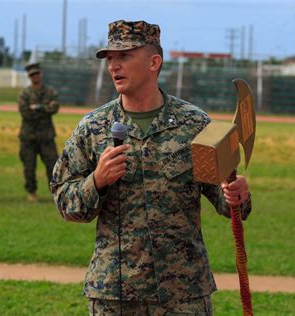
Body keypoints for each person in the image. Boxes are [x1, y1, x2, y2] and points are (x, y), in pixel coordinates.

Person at [51, 20, 252, 315]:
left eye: (125, 56)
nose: (114, 66)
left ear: (154, 62)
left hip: (182, 293)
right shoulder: (93, 128)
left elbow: (226, 203)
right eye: (110, 58)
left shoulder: (194, 124)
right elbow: (66, 203)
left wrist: (238, 195)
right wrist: (96, 181)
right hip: (114, 293)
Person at [18, 62, 59, 202]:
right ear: (29, 76)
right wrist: (44, 110)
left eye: (37, 73)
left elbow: (54, 108)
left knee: (53, 165)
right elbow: (25, 113)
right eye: (32, 75)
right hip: (28, 136)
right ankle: (31, 192)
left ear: (41, 74)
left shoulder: (50, 92)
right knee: (29, 166)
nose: (35, 76)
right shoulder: (25, 94)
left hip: (46, 136)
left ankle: (56, 192)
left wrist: (37, 108)